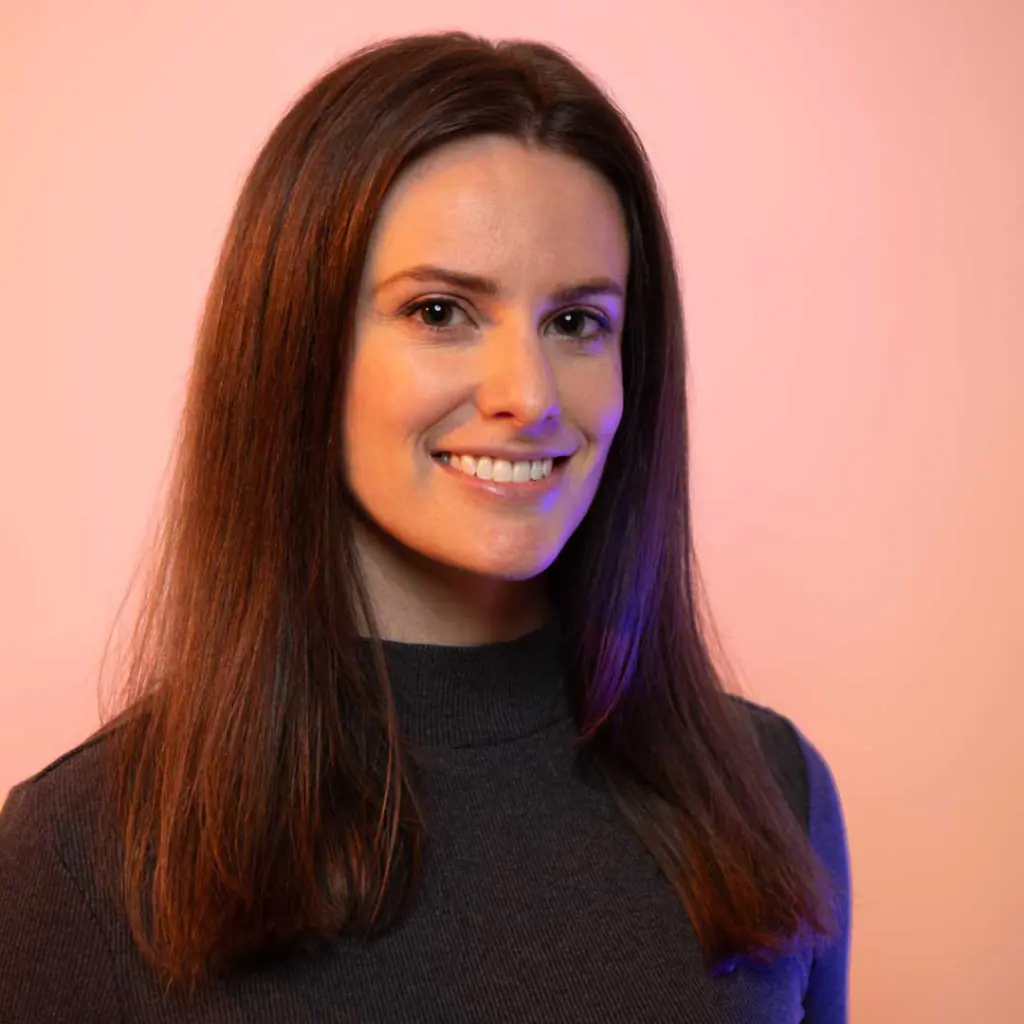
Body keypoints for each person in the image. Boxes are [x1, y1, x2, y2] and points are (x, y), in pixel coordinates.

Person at [0, 30, 851, 1023]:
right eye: (441, 310)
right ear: (300, 351)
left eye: (576, 322)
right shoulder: (75, 856)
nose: (526, 394)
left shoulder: (770, 791)